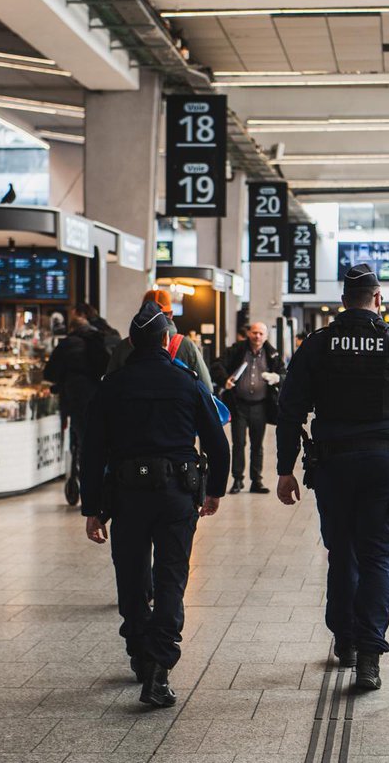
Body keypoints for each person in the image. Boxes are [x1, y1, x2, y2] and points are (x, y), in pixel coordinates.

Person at [275, 264, 389, 690]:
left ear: (343, 302)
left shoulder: (317, 346)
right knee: (378, 556)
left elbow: (290, 410)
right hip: (385, 465)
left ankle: (345, 640)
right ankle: (369, 656)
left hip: (333, 464)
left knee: (342, 551)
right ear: (378, 299)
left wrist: (284, 469)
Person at [80, 301, 230, 708]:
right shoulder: (188, 384)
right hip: (177, 496)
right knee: (170, 578)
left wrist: (92, 509)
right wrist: (214, 491)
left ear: (131, 341)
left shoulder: (112, 386)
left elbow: (91, 452)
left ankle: (140, 656)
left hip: (126, 496)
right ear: (167, 341)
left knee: (131, 578)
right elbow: (218, 445)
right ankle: (160, 669)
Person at [45, 304, 111, 505]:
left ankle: (87, 483)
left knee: (82, 441)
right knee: (95, 439)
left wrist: (60, 382)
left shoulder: (67, 343)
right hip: (98, 397)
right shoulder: (99, 339)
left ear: (72, 328)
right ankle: (99, 478)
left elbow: (49, 372)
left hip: (76, 399)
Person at [213, 322, 285, 494]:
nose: (257, 336)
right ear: (248, 333)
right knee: (238, 443)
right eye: (254, 332)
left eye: (261, 333)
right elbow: (216, 365)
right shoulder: (237, 350)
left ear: (266, 336)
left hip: (260, 405)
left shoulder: (272, 354)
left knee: (257, 445)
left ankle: (256, 480)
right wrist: (224, 380)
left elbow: (285, 374)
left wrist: (276, 378)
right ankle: (237, 480)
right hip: (239, 405)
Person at [107, 289, 213, 392]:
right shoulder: (186, 345)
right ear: (170, 314)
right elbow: (208, 388)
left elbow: (108, 387)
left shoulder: (123, 346)